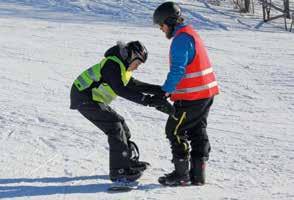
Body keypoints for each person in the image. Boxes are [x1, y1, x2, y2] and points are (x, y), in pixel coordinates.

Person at [70, 41, 174, 183]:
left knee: (121, 124)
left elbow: (133, 85)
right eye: (138, 63)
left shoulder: (122, 67)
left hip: (94, 99)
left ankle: (127, 163)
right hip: (84, 97)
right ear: (132, 55)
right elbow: (120, 89)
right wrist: (148, 101)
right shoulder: (111, 64)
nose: (137, 67)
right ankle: (119, 172)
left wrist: (159, 91)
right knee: (114, 126)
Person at [153, 2, 220, 186]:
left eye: (161, 25)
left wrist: (164, 90)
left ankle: (181, 174)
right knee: (197, 129)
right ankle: (198, 175)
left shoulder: (180, 39)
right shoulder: (191, 33)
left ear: (169, 22)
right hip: (206, 93)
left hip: (192, 96)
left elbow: (178, 71)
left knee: (174, 130)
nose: (161, 29)